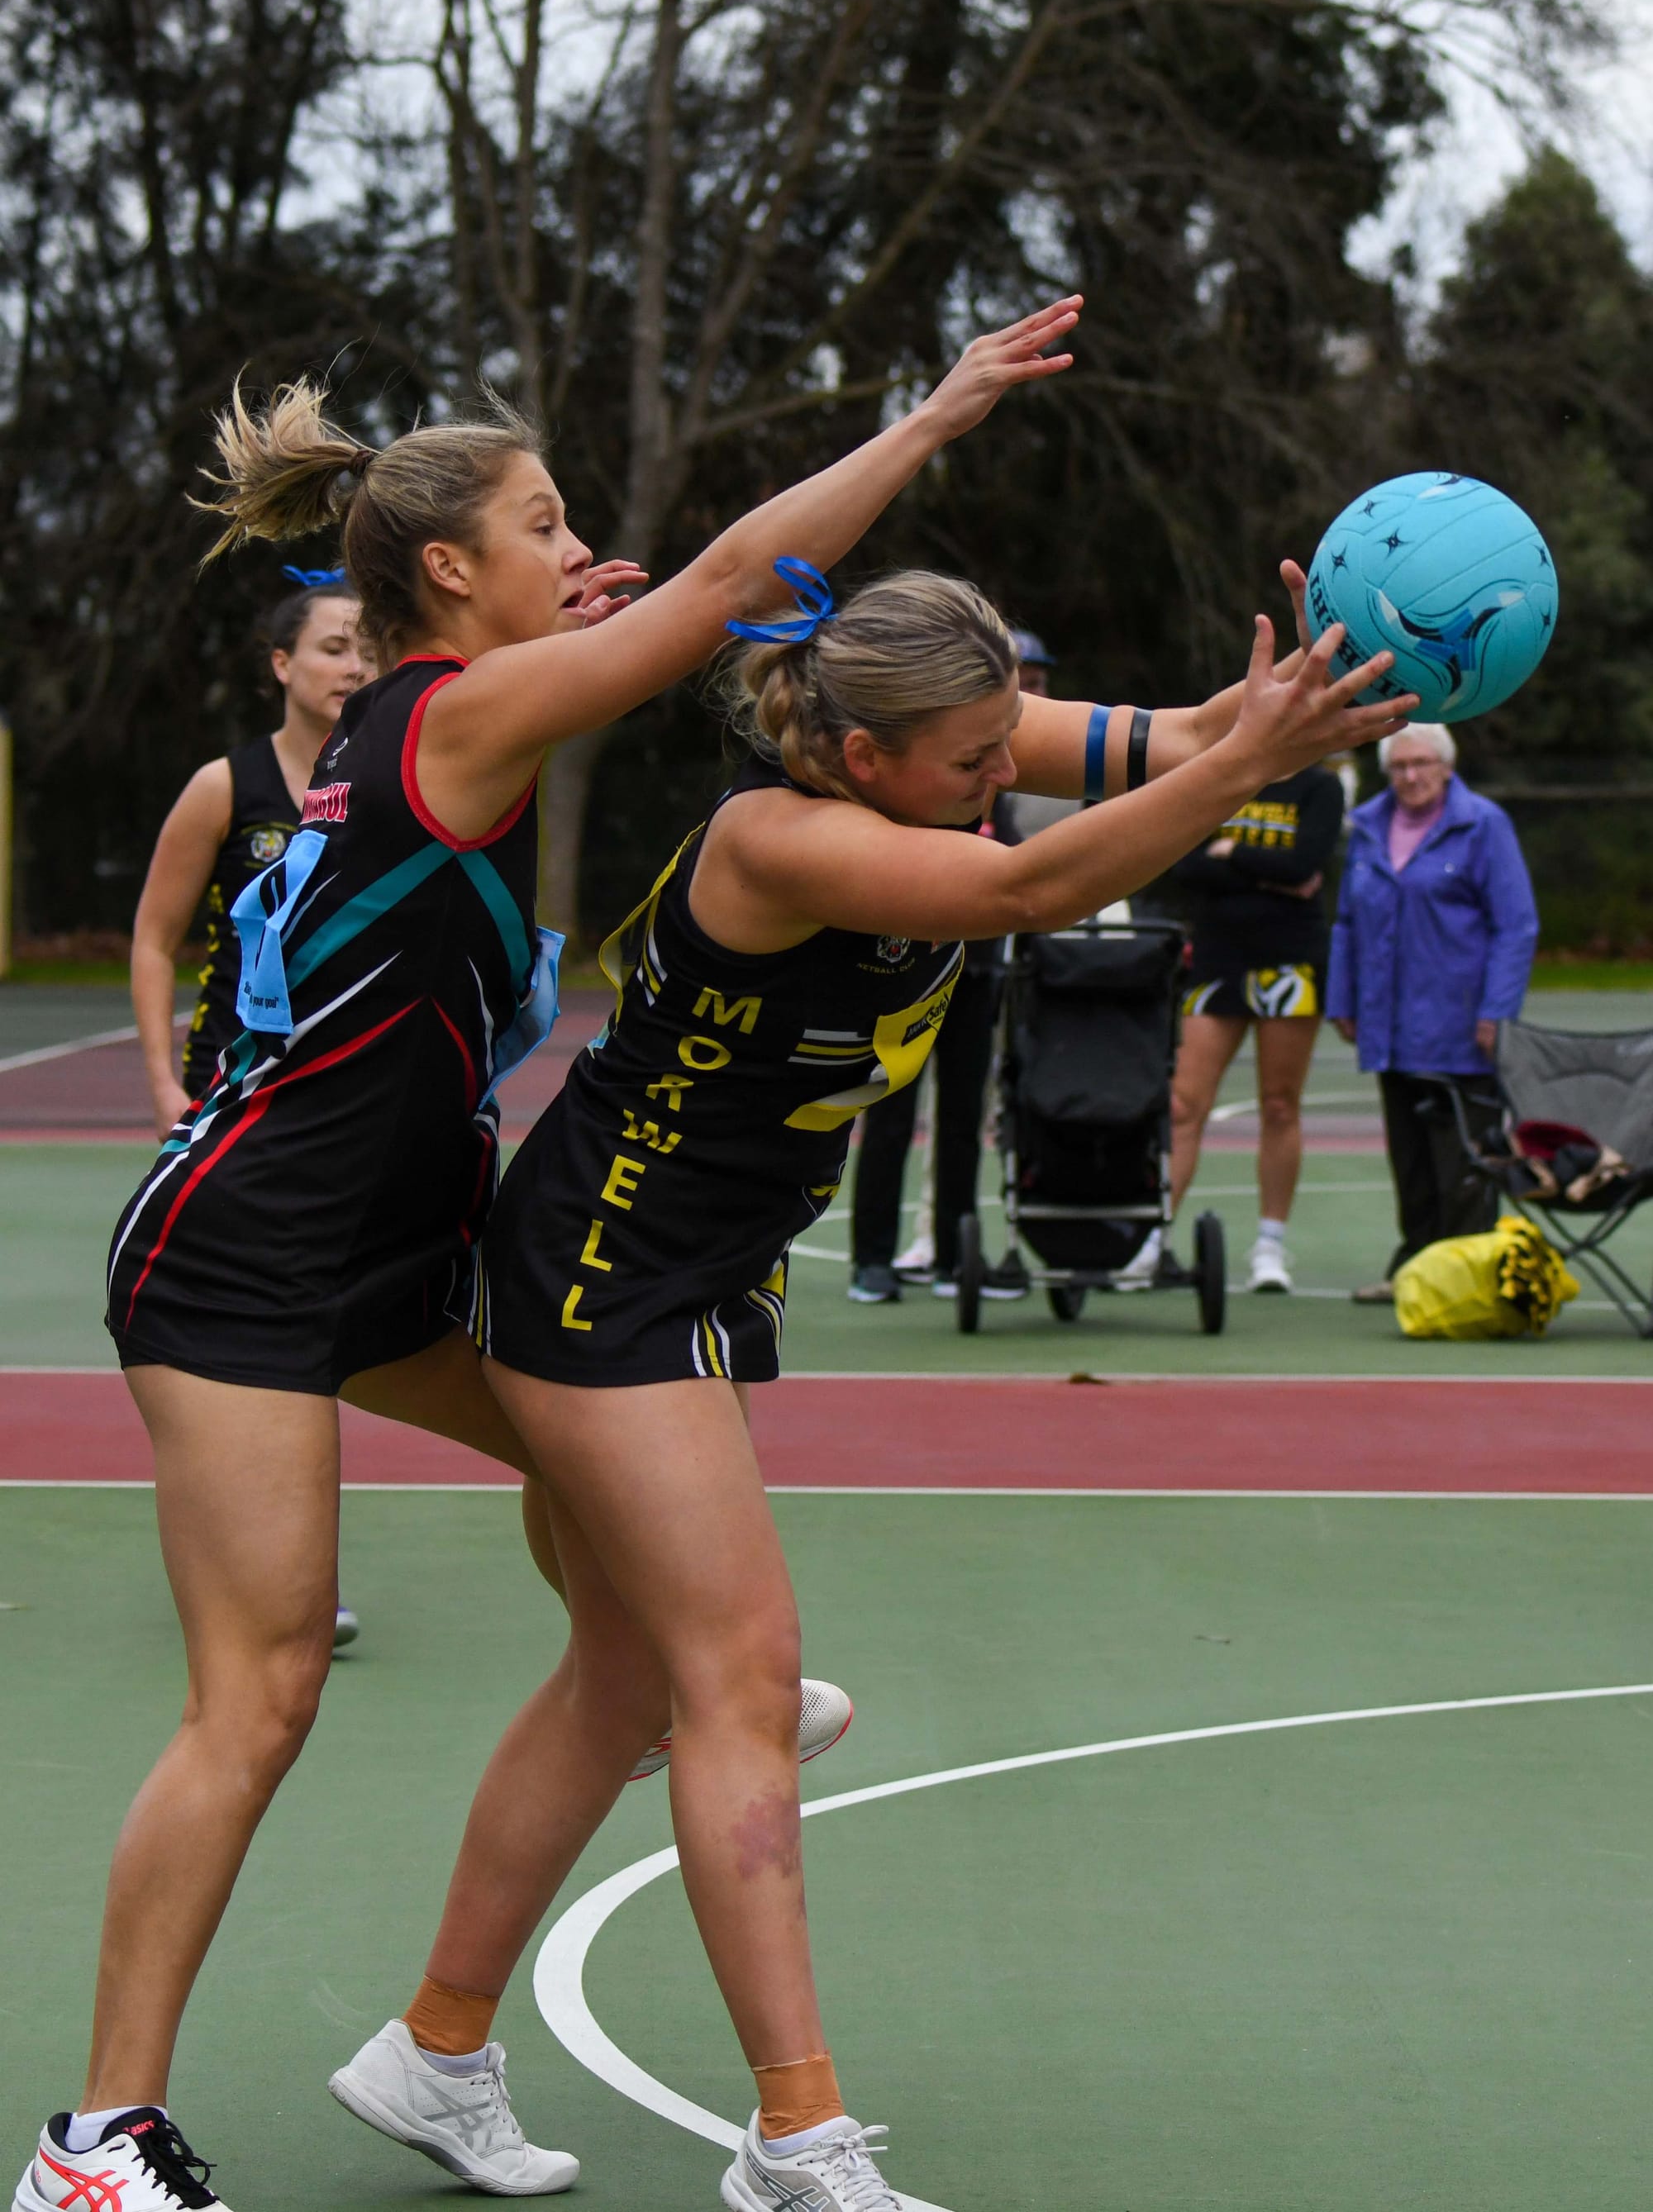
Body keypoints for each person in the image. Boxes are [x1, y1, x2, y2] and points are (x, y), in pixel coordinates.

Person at [16, 298, 1083, 2212]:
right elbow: (748, 572)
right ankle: (97, 2137)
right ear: (450, 569)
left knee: (624, 1515)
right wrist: (926, 415)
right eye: (543, 521)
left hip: (391, 1246)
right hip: (247, 1256)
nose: (576, 545)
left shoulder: (467, 703)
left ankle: (553, 1893)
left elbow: (722, 612)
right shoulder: (455, 712)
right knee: (258, 1687)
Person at [327, 569, 1413, 2212]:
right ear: (855, 749)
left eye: (1005, 745)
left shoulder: (931, 731)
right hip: (605, 1272)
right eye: (971, 761)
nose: (1000, 775)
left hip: (690, 1265)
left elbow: (1175, 737)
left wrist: (1281, 712)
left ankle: (437, 2048)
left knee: (627, 1685)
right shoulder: (774, 837)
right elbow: (1040, 881)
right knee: (743, 1683)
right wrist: (1236, 772)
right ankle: (796, 2139)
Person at [846, 629, 1065, 1304]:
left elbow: (1028, 871)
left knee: (964, 1115)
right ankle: (872, 1261)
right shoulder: (914, 796)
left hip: (978, 974)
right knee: (889, 1114)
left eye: (1035, 678)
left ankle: (950, 1254)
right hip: (902, 973)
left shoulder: (1002, 799)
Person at [131, 577, 369, 1139]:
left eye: (368, 649)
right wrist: (163, 1083)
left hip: (350, 1078)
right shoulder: (223, 787)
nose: (355, 667)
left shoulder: (394, 783)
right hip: (228, 1077)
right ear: (282, 664)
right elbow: (154, 942)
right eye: (334, 649)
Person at [1327, 721, 1540, 1302]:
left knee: (1465, 1162)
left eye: (1422, 764)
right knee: (1411, 1159)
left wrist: (1497, 1010)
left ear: (1446, 767)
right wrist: (1342, 999)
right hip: (1390, 1026)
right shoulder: (1369, 827)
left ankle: (1468, 1279)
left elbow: (1515, 926)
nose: (1411, 776)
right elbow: (1347, 921)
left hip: (1460, 1026)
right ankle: (1414, 1271)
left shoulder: (1483, 826)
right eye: (1399, 766)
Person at [1124, 763, 1345, 1293]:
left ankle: (1270, 1246)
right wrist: (1268, 871)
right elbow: (1188, 865)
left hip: (1290, 960)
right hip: (1218, 958)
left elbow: (1306, 865)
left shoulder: (1320, 788)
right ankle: (1152, 1241)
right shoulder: (1229, 777)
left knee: (1278, 1103)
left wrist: (1233, 855)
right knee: (1183, 1104)